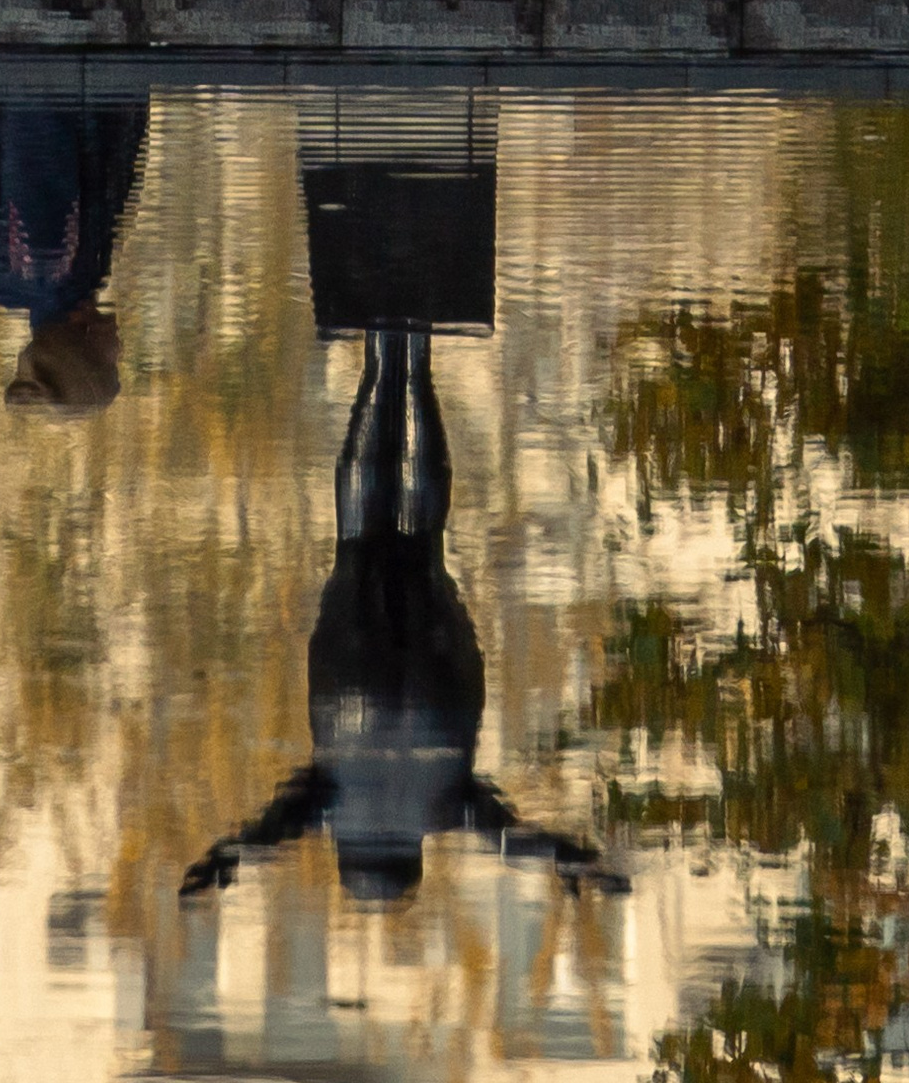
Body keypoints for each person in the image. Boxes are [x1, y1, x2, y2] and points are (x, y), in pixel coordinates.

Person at [178, 330, 628, 909]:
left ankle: (412, 357)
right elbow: (273, 831)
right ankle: (381, 352)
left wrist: (571, 859)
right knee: (360, 534)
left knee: (422, 539)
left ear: (413, 857)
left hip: (434, 684)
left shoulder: (441, 809)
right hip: (355, 670)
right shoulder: (336, 808)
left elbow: (510, 840)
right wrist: (231, 856)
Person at [0, 83, 150, 418]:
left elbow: (34, 103)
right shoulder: (67, 278)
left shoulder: (46, 259)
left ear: (85, 342)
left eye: (113, 363)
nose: (120, 352)